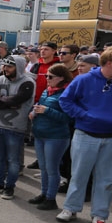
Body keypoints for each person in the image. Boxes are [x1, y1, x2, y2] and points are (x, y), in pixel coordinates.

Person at [56, 46, 112, 223]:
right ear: (109, 63)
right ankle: (70, 208)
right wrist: (84, 116)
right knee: (78, 175)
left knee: (106, 179)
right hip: (85, 134)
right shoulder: (83, 79)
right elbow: (65, 100)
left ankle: (100, 215)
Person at [0, 55, 35, 200]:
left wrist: (1, 100)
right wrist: (7, 102)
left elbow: (17, 100)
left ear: (18, 67)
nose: (5, 69)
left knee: (13, 160)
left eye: (9, 66)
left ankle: (9, 186)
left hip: (15, 128)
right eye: (4, 66)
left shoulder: (28, 82)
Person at [28, 64, 73, 210]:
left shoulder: (66, 94)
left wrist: (47, 111)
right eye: (46, 76)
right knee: (43, 167)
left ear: (61, 78)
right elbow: (39, 105)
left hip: (56, 137)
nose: (47, 79)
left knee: (52, 168)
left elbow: (68, 118)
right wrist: (34, 112)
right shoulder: (46, 91)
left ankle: (51, 198)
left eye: (50, 76)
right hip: (40, 134)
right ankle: (44, 193)